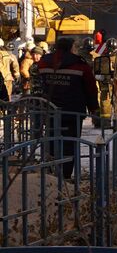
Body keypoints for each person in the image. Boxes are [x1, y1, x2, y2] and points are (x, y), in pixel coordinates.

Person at [34, 37, 99, 179]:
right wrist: (94, 108)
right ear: (71, 47)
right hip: (73, 112)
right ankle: (66, 175)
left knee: (51, 142)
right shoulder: (80, 65)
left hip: (50, 111)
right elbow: (91, 89)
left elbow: (37, 83)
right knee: (70, 145)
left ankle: (51, 176)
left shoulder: (44, 62)